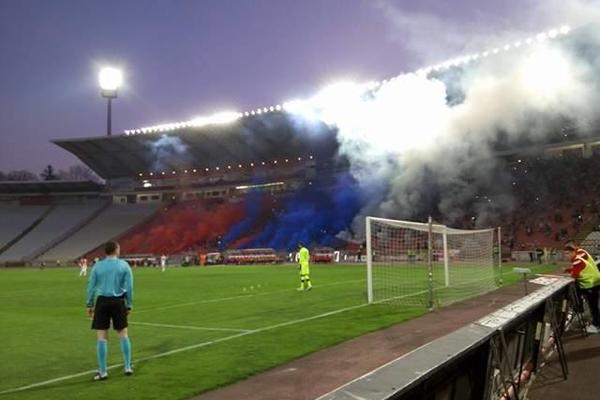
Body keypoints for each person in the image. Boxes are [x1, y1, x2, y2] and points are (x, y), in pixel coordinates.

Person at [86, 241, 134, 380]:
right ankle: (127, 367)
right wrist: (129, 304)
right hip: (118, 301)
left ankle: (103, 372)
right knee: (123, 335)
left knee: (102, 337)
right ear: (117, 250)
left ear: (105, 251)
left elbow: (91, 286)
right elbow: (130, 287)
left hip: (102, 301)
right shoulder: (124, 265)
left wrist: (89, 304)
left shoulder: (98, 266)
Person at [564, 242, 600, 334]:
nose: (566, 256)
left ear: (573, 252)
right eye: (565, 254)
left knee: (593, 306)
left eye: (567, 253)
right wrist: (569, 270)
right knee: (593, 305)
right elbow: (579, 269)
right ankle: (580, 311)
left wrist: (570, 272)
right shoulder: (578, 258)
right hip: (592, 282)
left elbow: (575, 275)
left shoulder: (577, 259)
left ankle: (596, 325)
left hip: (591, 284)